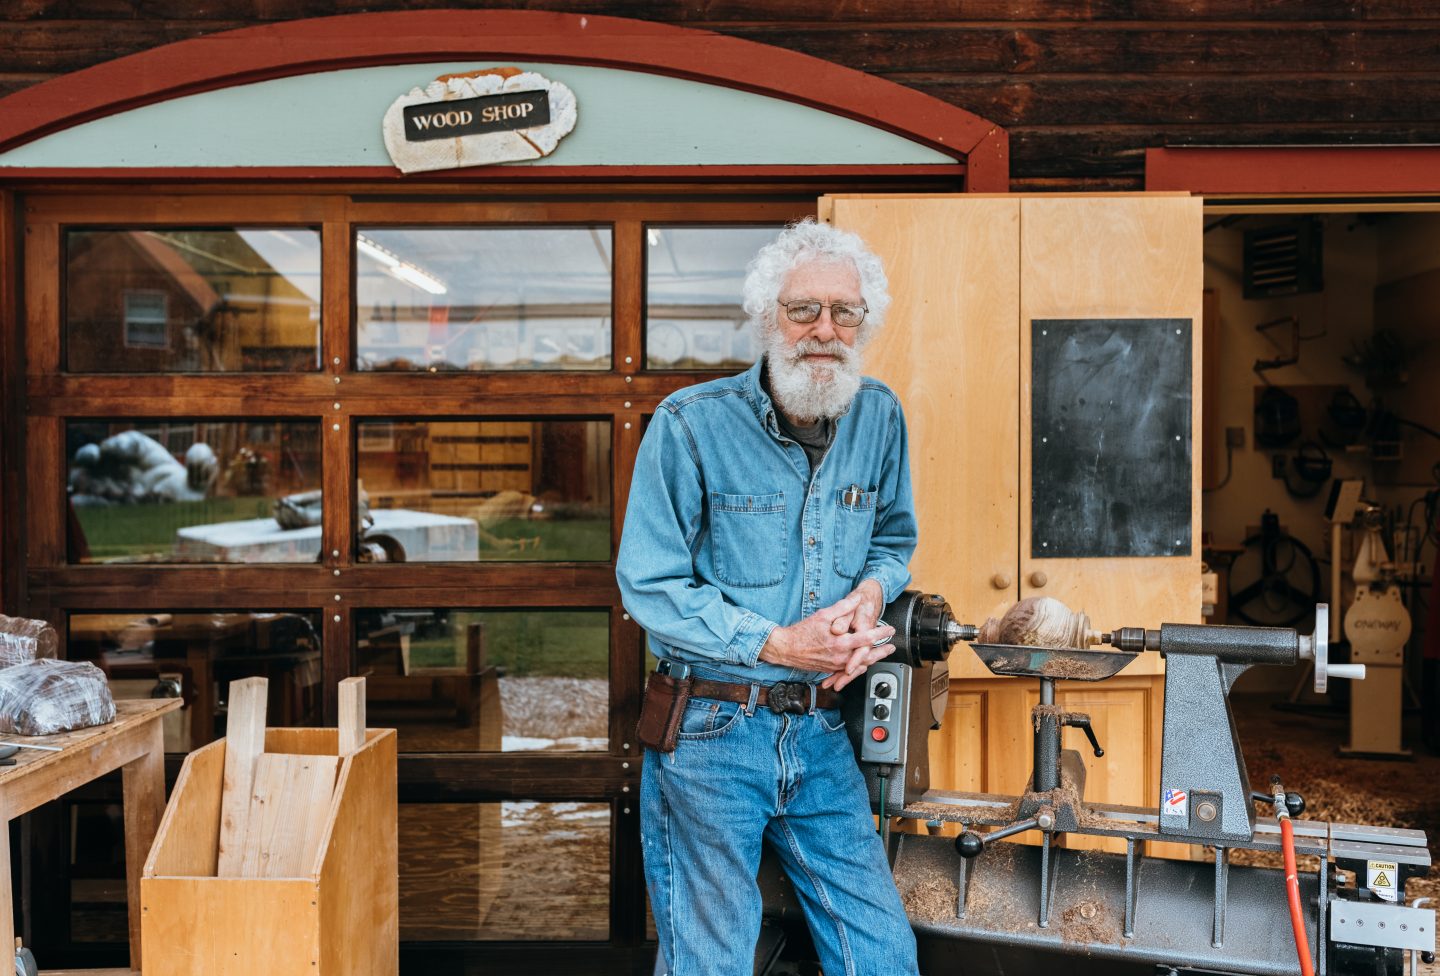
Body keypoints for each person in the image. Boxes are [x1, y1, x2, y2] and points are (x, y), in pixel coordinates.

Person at [616, 218, 919, 976]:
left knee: (881, 952)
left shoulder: (879, 415)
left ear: (864, 322)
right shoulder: (690, 424)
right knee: (710, 960)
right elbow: (648, 583)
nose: (825, 330)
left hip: (820, 729)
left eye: (844, 312)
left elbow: (893, 539)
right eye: (803, 310)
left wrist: (871, 598)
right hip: (712, 728)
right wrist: (779, 643)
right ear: (767, 318)